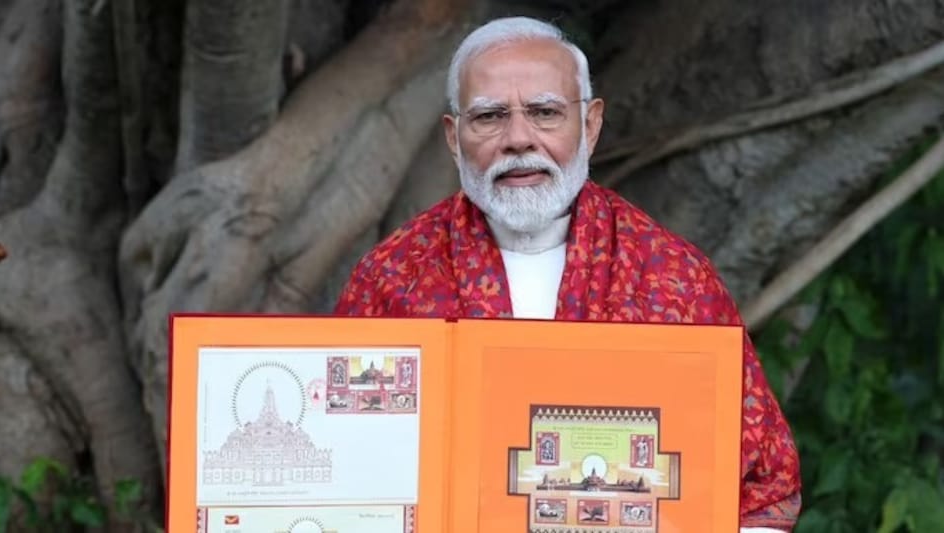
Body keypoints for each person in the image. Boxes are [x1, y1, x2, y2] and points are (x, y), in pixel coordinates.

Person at [334, 16, 801, 532]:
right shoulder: (394, 276)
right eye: (489, 117)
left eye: (544, 113)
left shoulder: (672, 278)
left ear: (591, 125)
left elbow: (761, 490)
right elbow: (345, 468)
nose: (518, 139)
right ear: (453, 136)